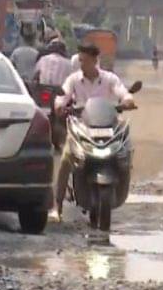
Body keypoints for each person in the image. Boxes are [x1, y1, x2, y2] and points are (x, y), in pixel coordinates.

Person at [51, 44, 136, 221]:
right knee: (67, 158)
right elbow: (63, 96)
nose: (82, 64)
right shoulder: (73, 80)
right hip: (82, 127)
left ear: (95, 60)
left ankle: (122, 182)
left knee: (125, 152)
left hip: (107, 127)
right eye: (81, 60)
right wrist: (59, 105)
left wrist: (127, 100)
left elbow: (122, 92)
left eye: (86, 60)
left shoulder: (109, 79)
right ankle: (56, 205)